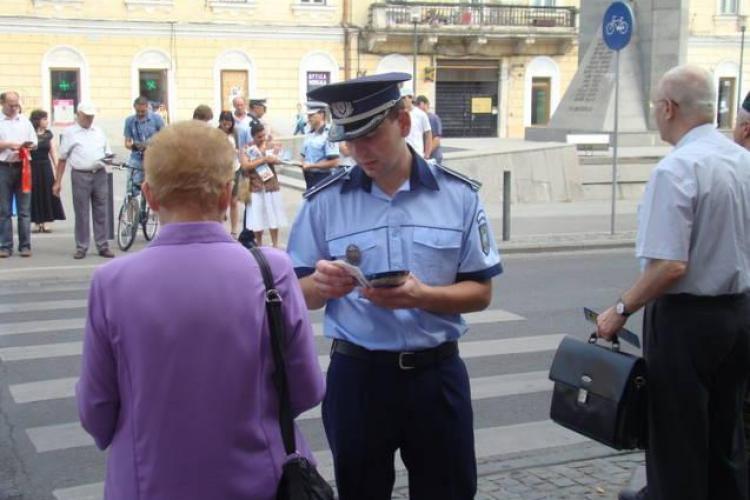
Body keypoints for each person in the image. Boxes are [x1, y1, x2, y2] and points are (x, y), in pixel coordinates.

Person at [76, 120, 324, 500]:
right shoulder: (271, 271)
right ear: (227, 195)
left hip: (149, 483)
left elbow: (96, 410)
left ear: (150, 195)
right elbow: (306, 388)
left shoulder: (112, 282)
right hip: (258, 480)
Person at [287, 72, 502, 500]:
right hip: (359, 379)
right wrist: (322, 285)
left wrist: (425, 297)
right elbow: (298, 294)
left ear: (403, 123)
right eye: (348, 139)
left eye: (370, 135)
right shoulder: (324, 202)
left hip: (436, 376)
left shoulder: (457, 195)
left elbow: (480, 292)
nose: (357, 151)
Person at [597, 65, 750, 500]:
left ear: (668, 108)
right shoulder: (743, 161)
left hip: (687, 322)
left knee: (677, 448)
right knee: (726, 441)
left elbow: (668, 266)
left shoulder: (677, 169)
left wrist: (621, 309)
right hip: (738, 314)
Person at [53, 102, 115, 259]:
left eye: (91, 116)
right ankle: (82, 246)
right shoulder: (70, 133)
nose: (89, 119)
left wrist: (109, 160)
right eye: (87, 116)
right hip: (80, 174)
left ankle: (102, 245)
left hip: (100, 173)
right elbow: (62, 159)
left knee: (101, 211)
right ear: (78, 114)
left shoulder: (99, 131)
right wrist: (57, 182)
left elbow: (107, 151)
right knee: (81, 212)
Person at [0, 90, 37, 257]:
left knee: (24, 210)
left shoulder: (25, 121)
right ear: (2, 103)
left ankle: (25, 245)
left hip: (23, 167)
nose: (15, 108)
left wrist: (27, 146)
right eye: (11, 105)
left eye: (17, 104)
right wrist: (8, 145)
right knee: (4, 209)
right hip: (3, 167)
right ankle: (5, 245)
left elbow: (35, 142)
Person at [240, 123, 287, 248]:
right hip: (255, 186)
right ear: (253, 136)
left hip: (270, 185)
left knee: (273, 216)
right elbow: (245, 166)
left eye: (263, 135)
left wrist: (275, 157)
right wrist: (263, 159)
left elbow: (279, 160)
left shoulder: (271, 145)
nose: (262, 138)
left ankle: (275, 244)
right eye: (259, 137)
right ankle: (259, 244)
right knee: (256, 217)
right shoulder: (247, 148)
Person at [29, 109, 65, 233]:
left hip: (45, 167)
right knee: (34, 192)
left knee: (46, 192)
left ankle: (46, 221)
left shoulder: (48, 134)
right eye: (44, 119)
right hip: (32, 166)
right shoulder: (29, 133)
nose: (47, 121)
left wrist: (56, 167)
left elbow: (53, 151)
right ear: (37, 120)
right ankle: (36, 221)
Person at [124, 95, 165, 188]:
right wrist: (134, 146)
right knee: (132, 188)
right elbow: (127, 143)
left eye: (143, 111)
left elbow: (165, 138)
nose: (140, 114)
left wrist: (150, 144)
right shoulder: (129, 121)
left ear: (147, 107)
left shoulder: (157, 119)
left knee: (153, 188)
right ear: (134, 107)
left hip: (153, 158)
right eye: (137, 111)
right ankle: (132, 201)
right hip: (136, 159)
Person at [300, 101, 340, 189]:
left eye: (311, 115)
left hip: (322, 177)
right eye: (308, 116)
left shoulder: (329, 133)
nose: (309, 118)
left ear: (321, 114)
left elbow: (335, 162)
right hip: (309, 176)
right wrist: (302, 164)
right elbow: (303, 155)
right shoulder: (309, 133)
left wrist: (312, 166)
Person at [218, 110, 242, 237]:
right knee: (222, 201)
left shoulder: (235, 133)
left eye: (229, 121)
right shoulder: (216, 134)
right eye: (224, 120)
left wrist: (237, 152)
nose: (226, 123)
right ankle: (220, 230)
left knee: (233, 201)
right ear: (220, 121)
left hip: (235, 168)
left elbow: (239, 148)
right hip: (221, 171)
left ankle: (233, 231)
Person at [401, 87, 432, 159]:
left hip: (417, 154)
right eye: (401, 98)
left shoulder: (421, 114)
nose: (402, 100)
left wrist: (427, 155)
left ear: (410, 98)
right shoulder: (398, 114)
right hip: (402, 156)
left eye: (403, 98)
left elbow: (428, 134)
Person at [415, 95, 444, 164]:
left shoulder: (433, 118)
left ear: (427, 105)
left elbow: (436, 140)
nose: (421, 108)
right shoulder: (417, 119)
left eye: (422, 105)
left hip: (433, 157)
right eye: (418, 105)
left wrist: (426, 154)